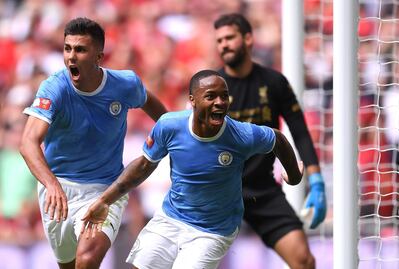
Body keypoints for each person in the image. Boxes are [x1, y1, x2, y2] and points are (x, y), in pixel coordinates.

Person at [80, 69, 304, 269]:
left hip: (213, 231)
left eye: (224, 96)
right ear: (193, 100)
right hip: (171, 218)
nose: (220, 102)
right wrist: (104, 200)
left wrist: (293, 176)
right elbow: (143, 165)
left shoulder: (240, 135)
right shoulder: (170, 125)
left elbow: (277, 139)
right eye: (210, 96)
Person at [19, 17, 167, 269]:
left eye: (80, 49)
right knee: (70, 265)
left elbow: (161, 117)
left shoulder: (125, 84)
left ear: (99, 56)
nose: (71, 57)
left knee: (87, 260)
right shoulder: (55, 87)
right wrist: (52, 184)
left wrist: (174, 140)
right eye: (68, 49)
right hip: (59, 192)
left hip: (105, 190)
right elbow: (28, 143)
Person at [213, 13, 327, 269]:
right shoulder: (212, 88)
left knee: (304, 260)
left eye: (229, 38)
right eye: (219, 40)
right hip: (218, 191)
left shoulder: (274, 82)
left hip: (261, 189)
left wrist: (316, 180)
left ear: (248, 39)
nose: (224, 45)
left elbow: (299, 131)